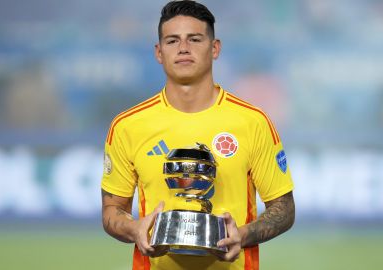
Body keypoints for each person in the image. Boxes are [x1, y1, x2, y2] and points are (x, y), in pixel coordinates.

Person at [101, 1, 295, 269]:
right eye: (172, 40)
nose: (183, 48)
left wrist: (242, 235)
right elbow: (112, 210)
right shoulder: (128, 125)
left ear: (215, 48)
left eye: (194, 39)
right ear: (159, 52)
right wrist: (134, 229)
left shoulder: (253, 122)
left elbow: (284, 208)